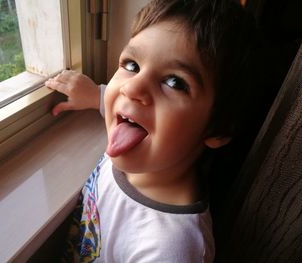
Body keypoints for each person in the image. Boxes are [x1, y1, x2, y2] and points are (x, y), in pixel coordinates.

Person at [45, 0, 258, 262]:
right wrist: (94, 95)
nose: (132, 89)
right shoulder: (145, 139)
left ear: (219, 130)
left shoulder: (171, 249)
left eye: (175, 82)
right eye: (132, 65)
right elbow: (121, 104)